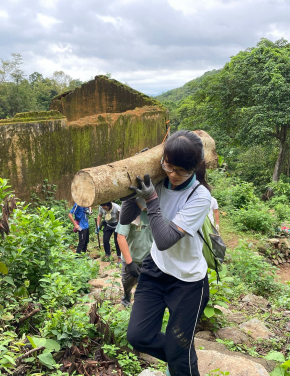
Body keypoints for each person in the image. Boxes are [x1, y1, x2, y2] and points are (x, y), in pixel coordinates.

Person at [120, 130, 212, 376]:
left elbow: (164, 240)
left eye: (180, 171)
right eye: (168, 167)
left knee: (179, 350)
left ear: (194, 168)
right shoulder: (158, 181)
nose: (173, 175)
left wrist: (151, 199)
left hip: (188, 282)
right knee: (138, 337)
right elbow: (126, 218)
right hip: (156, 269)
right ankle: (178, 353)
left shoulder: (199, 196)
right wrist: (132, 192)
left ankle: (179, 355)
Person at [115, 198, 153, 307]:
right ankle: (127, 296)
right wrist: (130, 263)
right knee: (127, 283)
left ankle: (140, 307)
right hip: (131, 259)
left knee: (145, 288)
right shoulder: (130, 211)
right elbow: (120, 236)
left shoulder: (156, 212)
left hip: (149, 260)